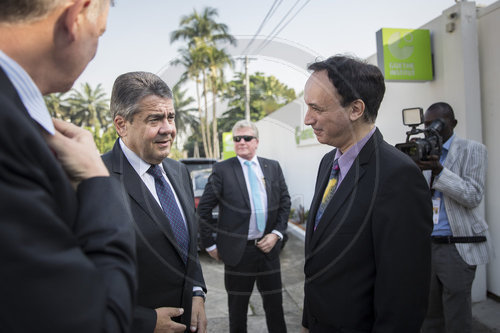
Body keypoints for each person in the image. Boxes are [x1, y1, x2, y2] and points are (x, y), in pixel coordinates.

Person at [0, 1, 137, 332]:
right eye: (100, 31)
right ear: (76, 17)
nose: (95, 51)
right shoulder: (10, 132)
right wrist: (96, 181)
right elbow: (98, 321)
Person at [301, 55, 433, 332]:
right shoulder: (329, 163)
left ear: (355, 109)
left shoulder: (398, 176)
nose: (307, 119)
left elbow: (404, 295)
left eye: (316, 108)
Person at [102, 71, 207, 333]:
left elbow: (187, 246)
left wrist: (197, 290)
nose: (168, 129)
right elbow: (77, 282)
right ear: (121, 124)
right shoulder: (92, 179)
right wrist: (144, 322)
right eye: (155, 119)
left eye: (171, 117)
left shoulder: (179, 171)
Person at [197, 120, 291, 333]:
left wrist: (276, 233)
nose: (241, 142)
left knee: (275, 307)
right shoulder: (222, 169)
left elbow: (284, 202)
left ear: (256, 141)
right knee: (237, 311)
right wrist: (210, 245)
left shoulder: (272, 167)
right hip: (238, 254)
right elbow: (203, 210)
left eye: (246, 138)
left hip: (268, 250)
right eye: (236, 138)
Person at [418, 102, 490, 333]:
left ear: (453, 124)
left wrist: (439, 171)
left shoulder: (473, 150)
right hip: (426, 246)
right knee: (429, 315)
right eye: (427, 124)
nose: (432, 129)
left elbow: (473, 195)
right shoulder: (423, 149)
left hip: (455, 246)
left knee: (457, 316)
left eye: (437, 123)